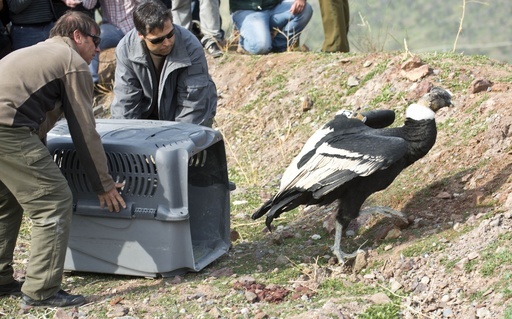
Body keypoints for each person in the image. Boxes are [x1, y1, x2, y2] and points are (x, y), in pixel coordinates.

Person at [0, 11, 126, 308]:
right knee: (53, 201)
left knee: (5, 202)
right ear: (77, 36)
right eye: (95, 41)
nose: (98, 49)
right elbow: (84, 130)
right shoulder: (71, 63)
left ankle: (2, 279)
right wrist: (103, 184)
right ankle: (41, 290)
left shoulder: (37, 52)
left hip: (8, 128)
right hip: (8, 130)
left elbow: (35, 113)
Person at [110, 0, 217, 127]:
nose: (167, 42)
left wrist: (178, 141)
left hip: (184, 117)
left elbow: (193, 104)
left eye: (170, 34)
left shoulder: (191, 46)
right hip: (146, 118)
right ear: (140, 35)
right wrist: (127, 137)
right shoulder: (126, 49)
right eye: (158, 40)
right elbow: (126, 102)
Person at [81, 0, 139, 84]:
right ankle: (91, 84)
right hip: (112, 28)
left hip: (134, 27)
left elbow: (147, 4)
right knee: (91, 39)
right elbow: (88, 5)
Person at [229, 0, 313, 55]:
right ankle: (243, 42)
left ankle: (278, 47)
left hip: (274, 7)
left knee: (305, 9)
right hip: (247, 11)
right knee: (261, 47)